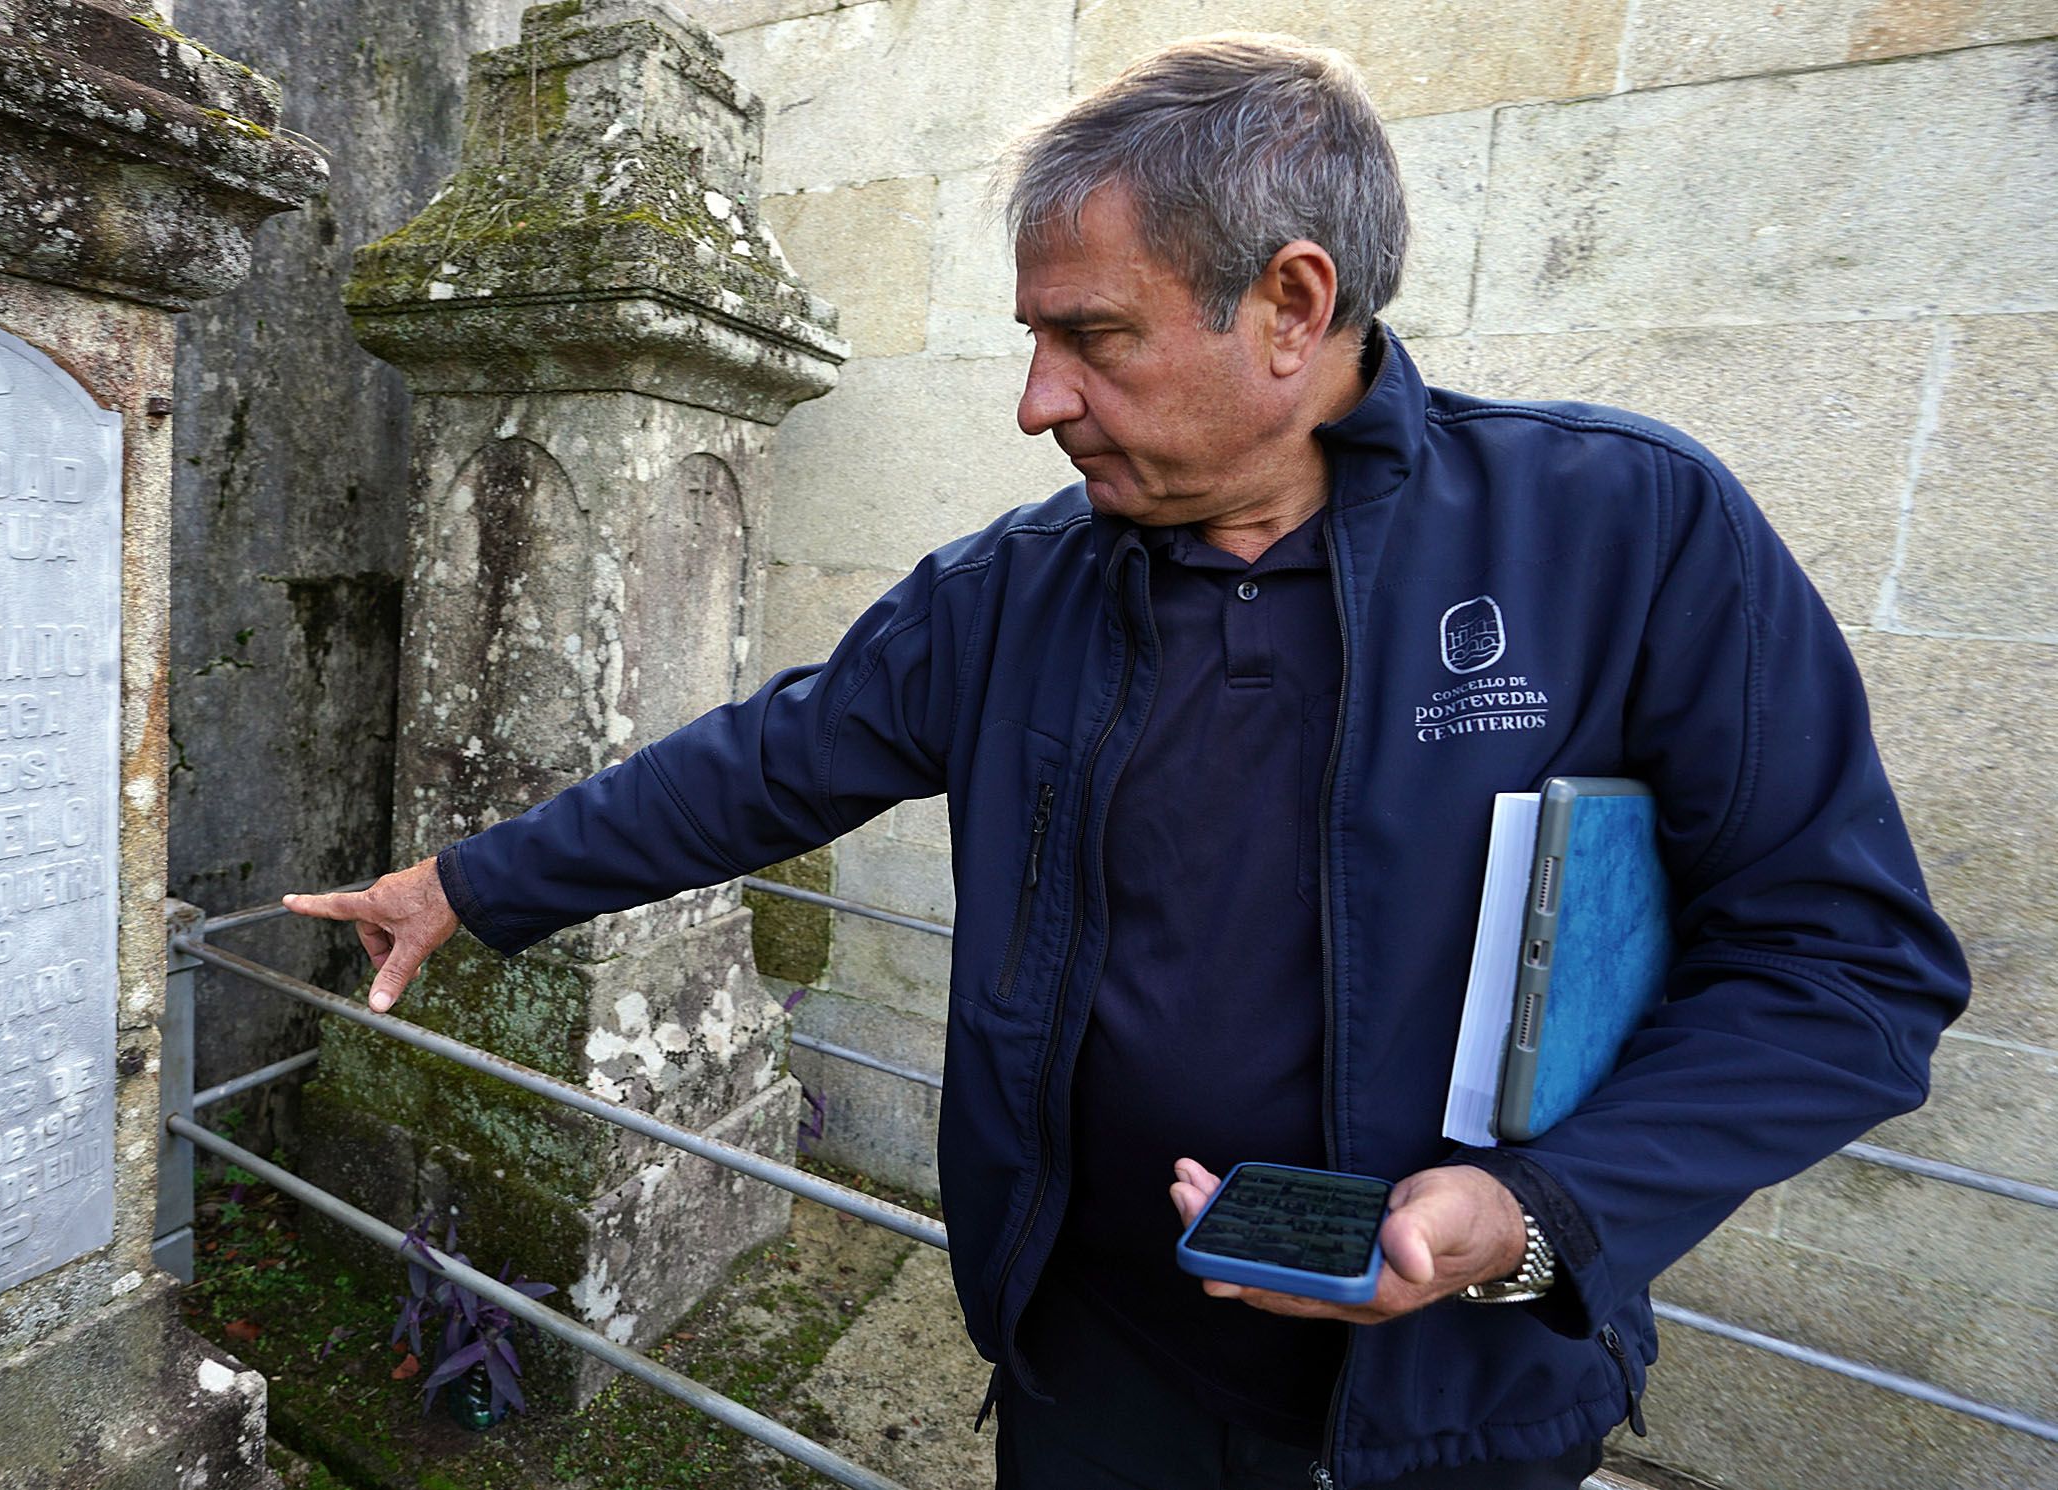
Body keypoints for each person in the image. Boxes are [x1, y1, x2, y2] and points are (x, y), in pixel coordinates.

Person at [286, 33, 1968, 1490]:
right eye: (1035, 340)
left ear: (1294, 305)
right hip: (1090, 1377)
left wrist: (1527, 1215)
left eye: (1092, 338)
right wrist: (469, 882)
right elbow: (758, 766)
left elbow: (1842, 972)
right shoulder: (1011, 590)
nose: (1035, 400)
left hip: (1454, 1407)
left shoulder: (1621, 533)